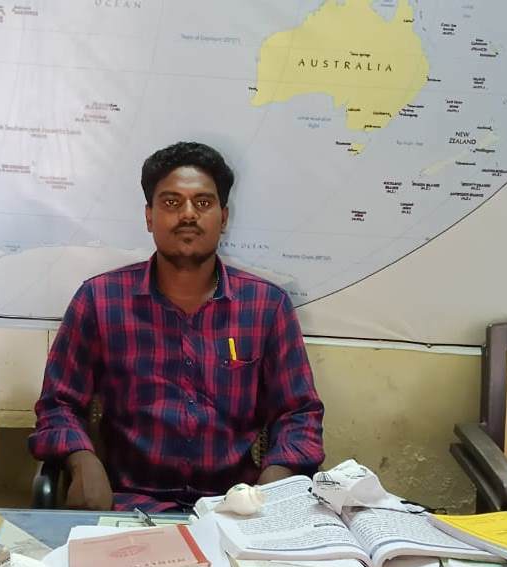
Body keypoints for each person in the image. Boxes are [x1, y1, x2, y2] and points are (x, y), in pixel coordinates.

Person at [29, 141, 324, 511]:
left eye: (203, 203)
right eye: (171, 202)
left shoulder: (267, 306)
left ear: (224, 217)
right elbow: (58, 404)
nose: (188, 214)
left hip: (233, 509)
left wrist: (277, 478)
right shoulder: (100, 300)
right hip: (130, 506)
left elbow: (299, 413)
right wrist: (82, 461)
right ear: (149, 216)